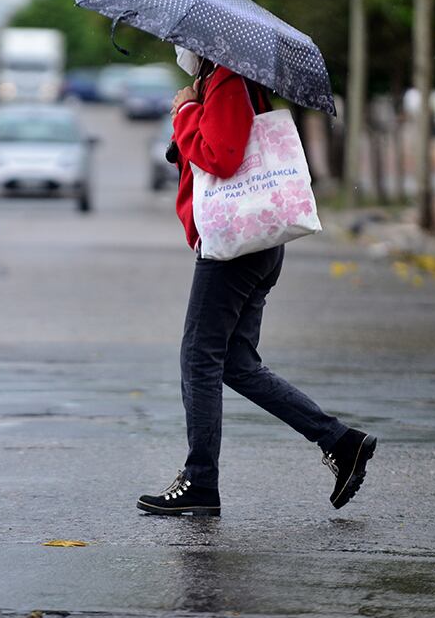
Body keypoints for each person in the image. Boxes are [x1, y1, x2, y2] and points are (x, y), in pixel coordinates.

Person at [136, 46, 377, 517]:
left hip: (234, 249)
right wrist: (189, 113)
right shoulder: (223, 81)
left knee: (198, 359)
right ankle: (341, 442)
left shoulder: (227, 79)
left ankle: (200, 482)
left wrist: (185, 110)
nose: (178, 49)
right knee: (237, 363)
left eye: (183, 43)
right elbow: (210, 150)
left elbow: (222, 158)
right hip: (254, 247)